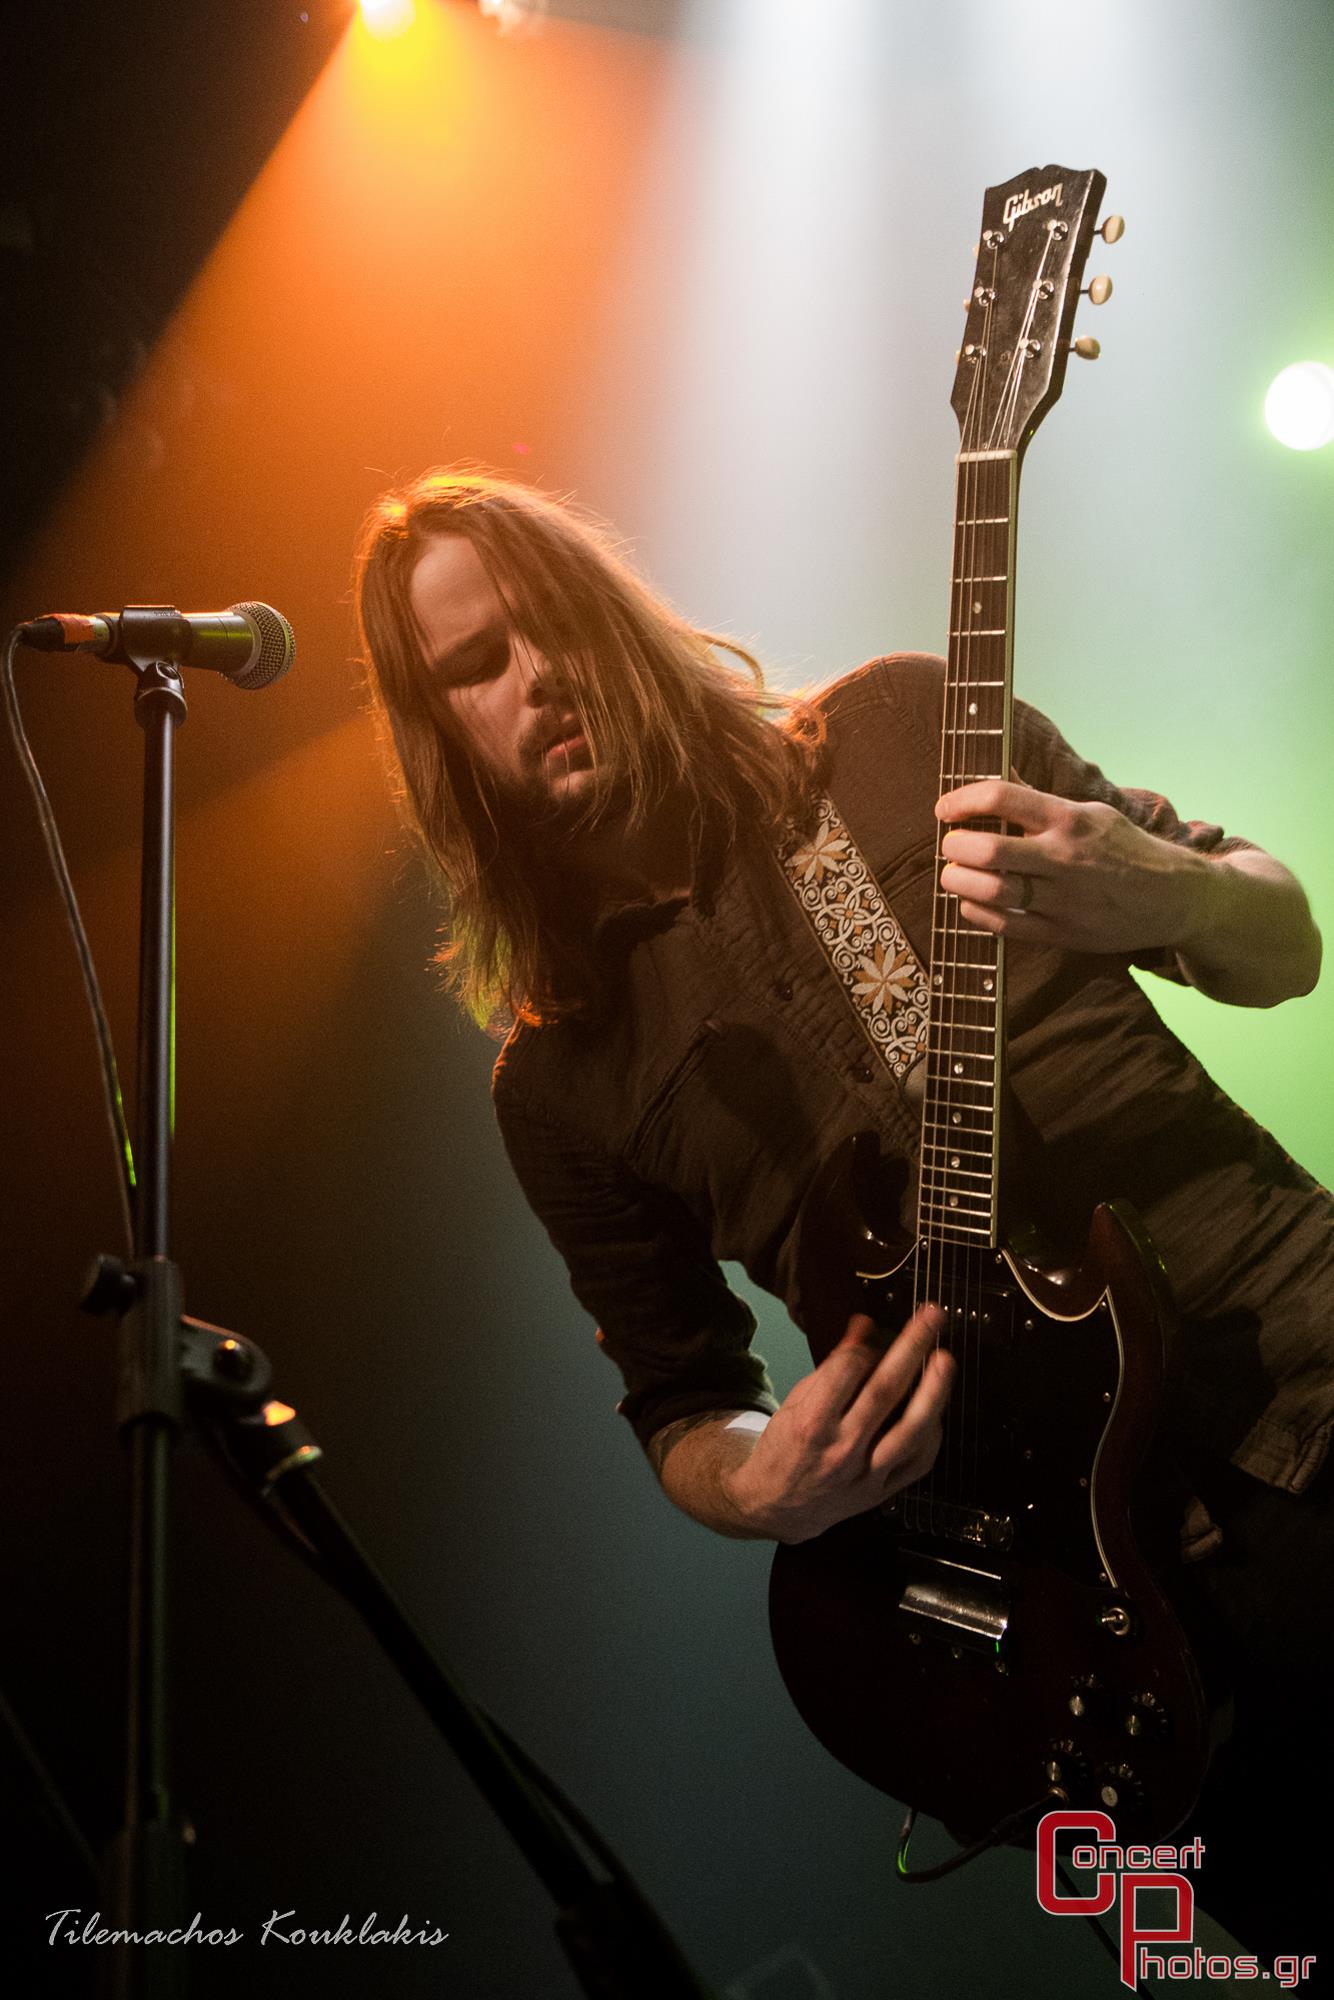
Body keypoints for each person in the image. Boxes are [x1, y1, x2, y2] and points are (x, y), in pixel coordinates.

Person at [353, 468, 1331, 1971]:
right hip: (1084, 1609)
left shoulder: (900, 726)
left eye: (551, 622)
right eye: (477, 664)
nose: (535, 675)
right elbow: (681, 1401)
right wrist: (763, 1486)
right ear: (442, 737)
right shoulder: (558, 1080)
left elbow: (1283, 944)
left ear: (616, 616)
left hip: (1302, 1378)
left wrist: (1169, 894)